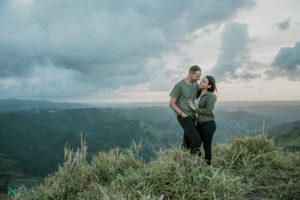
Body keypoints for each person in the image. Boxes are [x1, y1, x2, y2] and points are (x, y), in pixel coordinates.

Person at [169, 65, 202, 155]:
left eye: (200, 76)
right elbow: (171, 103)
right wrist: (182, 114)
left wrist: (212, 96)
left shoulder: (195, 85)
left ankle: (181, 161)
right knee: (196, 139)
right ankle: (192, 162)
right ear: (190, 74)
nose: (199, 78)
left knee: (187, 142)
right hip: (184, 117)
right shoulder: (179, 85)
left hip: (193, 116)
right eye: (197, 76)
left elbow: (203, 92)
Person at [188, 75, 217, 166]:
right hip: (199, 124)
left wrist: (194, 108)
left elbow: (208, 111)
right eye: (202, 80)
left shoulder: (210, 96)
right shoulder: (198, 92)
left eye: (204, 82)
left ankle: (208, 166)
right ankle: (197, 163)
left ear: (209, 86)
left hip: (208, 124)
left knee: (206, 146)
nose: (201, 82)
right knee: (196, 143)